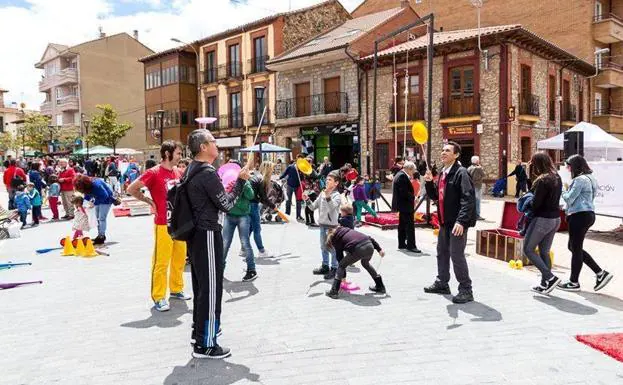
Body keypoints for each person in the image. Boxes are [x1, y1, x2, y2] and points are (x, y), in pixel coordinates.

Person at [185, 129, 250, 359]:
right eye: (213, 141)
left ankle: (200, 333)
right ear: (203, 147)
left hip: (196, 236)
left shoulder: (192, 169)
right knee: (212, 289)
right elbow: (228, 205)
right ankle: (207, 344)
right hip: (207, 234)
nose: (217, 145)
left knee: (202, 288)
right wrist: (240, 183)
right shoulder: (207, 173)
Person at [127, 141, 190, 312]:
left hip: (180, 223)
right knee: (161, 262)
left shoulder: (178, 172)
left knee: (179, 259)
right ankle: (159, 296)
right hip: (163, 223)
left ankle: (176, 289)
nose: (180, 156)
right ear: (168, 153)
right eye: (178, 153)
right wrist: (149, 201)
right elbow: (132, 188)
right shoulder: (153, 173)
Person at [424, 142, 476, 304]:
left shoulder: (461, 173)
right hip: (444, 222)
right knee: (442, 252)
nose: (443, 152)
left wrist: (461, 221)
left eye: (447, 150)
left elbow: (468, 198)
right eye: (442, 150)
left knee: (456, 255)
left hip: (457, 224)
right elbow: (435, 197)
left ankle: (466, 289)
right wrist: (428, 182)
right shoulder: (442, 173)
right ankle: (442, 283)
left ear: (456, 155)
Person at [558, 155, 613, 292]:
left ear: (575, 166)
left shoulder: (579, 180)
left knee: (575, 249)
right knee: (573, 247)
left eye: (568, 165)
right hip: (588, 214)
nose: (567, 168)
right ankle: (600, 273)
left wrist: (563, 189)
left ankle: (574, 282)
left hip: (579, 216)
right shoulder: (591, 178)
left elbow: (569, 199)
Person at [522, 152, 562, 294]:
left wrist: (526, 199)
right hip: (555, 219)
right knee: (544, 251)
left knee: (528, 249)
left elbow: (535, 204)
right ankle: (545, 284)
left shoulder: (542, 180)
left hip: (542, 219)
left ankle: (550, 278)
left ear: (537, 164)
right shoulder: (556, 176)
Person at [324, 226, 386, 299]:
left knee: (341, 265)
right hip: (370, 246)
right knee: (365, 264)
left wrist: (343, 277)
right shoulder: (347, 230)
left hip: (359, 249)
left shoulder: (335, 239)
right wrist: (379, 250)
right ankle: (380, 286)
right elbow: (369, 238)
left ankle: (334, 291)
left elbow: (340, 259)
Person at [303, 170, 342, 280]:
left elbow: (332, 207)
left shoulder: (337, 196)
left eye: (330, 180)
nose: (327, 181)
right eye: (327, 179)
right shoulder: (322, 193)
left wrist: (328, 196)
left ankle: (334, 268)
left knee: (332, 248)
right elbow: (313, 207)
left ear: (336, 183)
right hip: (322, 225)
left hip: (331, 227)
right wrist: (307, 200)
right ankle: (325, 266)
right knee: (323, 247)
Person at [221, 177, 257, 281]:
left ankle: (251, 270)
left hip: (243, 216)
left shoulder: (246, 183)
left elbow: (251, 196)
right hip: (229, 215)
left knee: (245, 243)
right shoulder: (230, 182)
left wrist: (245, 185)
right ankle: (220, 269)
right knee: (224, 243)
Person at [73, 175, 114, 245]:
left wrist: (94, 203)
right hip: (99, 199)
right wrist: (84, 204)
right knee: (97, 218)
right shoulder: (87, 187)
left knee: (101, 218)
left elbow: (105, 196)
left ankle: (102, 236)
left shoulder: (96, 185)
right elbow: (87, 195)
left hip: (107, 200)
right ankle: (100, 235)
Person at [248, 161, 277, 257]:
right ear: (268, 170)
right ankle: (261, 251)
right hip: (252, 205)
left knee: (251, 228)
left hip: (248, 204)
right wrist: (273, 206)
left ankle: (244, 249)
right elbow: (264, 198)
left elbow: (260, 197)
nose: (272, 172)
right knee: (257, 228)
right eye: (272, 170)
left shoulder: (256, 177)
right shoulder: (262, 179)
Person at [392, 161, 420, 253]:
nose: (414, 172)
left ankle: (402, 244)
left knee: (403, 225)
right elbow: (404, 192)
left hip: (402, 204)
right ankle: (411, 246)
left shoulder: (399, 174)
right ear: (409, 169)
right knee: (409, 226)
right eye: (413, 170)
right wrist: (414, 198)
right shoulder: (402, 176)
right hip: (405, 205)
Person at [280, 154, 304, 221]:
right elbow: (284, 174)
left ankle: (298, 215)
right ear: (297, 159)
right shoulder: (291, 166)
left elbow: (303, 178)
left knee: (298, 201)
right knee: (288, 201)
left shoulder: (302, 168)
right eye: (299, 159)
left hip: (298, 186)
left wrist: (302, 173)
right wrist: (279, 178)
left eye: (301, 160)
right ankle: (287, 214)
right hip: (289, 186)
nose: (300, 161)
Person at [467, 156, 486, 220]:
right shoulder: (479, 168)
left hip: (470, 186)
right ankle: (477, 215)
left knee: (472, 201)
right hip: (477, 186)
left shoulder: (469, 168)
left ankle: (472, 215)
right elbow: (484, 175)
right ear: (477, 161)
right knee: (477, 201)